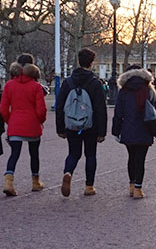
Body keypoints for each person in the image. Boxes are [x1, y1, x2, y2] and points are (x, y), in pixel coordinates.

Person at [55, 48, 108, 197]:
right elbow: (100, 109)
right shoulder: (95, 83)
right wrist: (101, 132)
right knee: (90, 155)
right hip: (90, 126)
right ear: (91, 63)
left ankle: (68, 172)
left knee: (73, 153)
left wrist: (61, 128)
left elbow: (60, 106)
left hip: (72, 125)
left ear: (78, 61)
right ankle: (89, 186)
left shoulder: (68, 82)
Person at [111, 65, 156, 199]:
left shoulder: (124, 90)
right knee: (140, 159)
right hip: (145, 128)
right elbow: (155, 112)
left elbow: (118, 113)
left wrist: (116, 131)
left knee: (131, 158)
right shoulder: (149, 89)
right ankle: (138, 188)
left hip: (128, 128)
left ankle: (131, 185)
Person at [1, 54, 47, 196]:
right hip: (32, 124)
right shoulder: (36, 86)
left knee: (14, 154)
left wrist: (11, 121)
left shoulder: (9, 85)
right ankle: (35, 182)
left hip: (15, 123)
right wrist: (40, 121)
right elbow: (41, 110)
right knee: (34, 154)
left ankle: (8, 181)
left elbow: (3, 108)